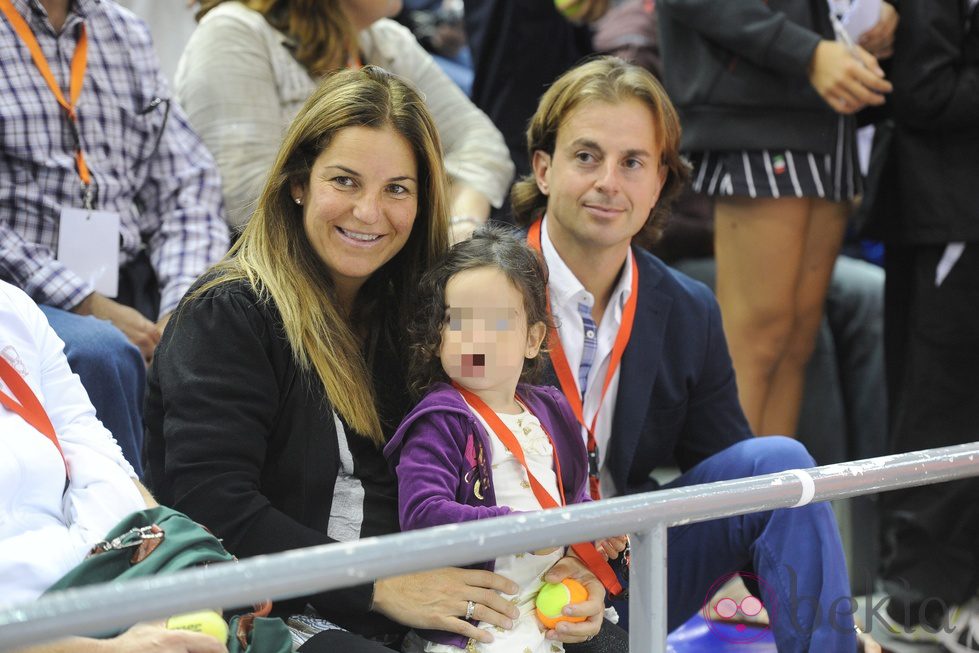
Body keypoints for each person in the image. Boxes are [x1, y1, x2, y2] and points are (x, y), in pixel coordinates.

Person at [143, 66, 605, 653]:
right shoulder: (228, 313)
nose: (369, 211)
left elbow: (475, 479)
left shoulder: (419, 315)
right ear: (298, 182)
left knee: (605, 635)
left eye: (396, 189)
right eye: (345, 180)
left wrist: (557, 569)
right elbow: (213, 506)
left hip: (431, 596)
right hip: (277, 609)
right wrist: (378, 584)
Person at [511, 56, 882, 652]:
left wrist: (823, 623)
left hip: (622, 572)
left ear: (659, 181)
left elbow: (744, 493)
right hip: (503, 570)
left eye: (633, 162)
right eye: (587, 156)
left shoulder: (686, 308)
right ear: (544, 168)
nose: (610, 180)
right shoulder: (477, 285)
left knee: (776, 463)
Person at [0, 0, 230, 470]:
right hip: (20, 293)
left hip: (129, 279)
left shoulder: (124, 32)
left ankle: (217, 525)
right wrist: (87, 302)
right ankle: (132, 532)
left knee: (232, 330)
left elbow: (187, 184)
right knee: (100, 353)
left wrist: (181, 308)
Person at [655, 0, 896, 436]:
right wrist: (805, 51)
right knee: (755, 341)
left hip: (835, 110)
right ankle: (725, 503)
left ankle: (770, 500)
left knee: (795, 342)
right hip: (754, 106)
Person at [385, 226, 628, 653]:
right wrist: (517, 530)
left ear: (533, 339)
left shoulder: (549, 410)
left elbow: (570, 499)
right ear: (437, 336)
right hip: (476, 626)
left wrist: (598, 528)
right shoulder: (439, 421)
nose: (477, 337)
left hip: (552, 606)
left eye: (498, 322)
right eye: (458, 320)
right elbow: (422, 517)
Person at [0, 279, 225, 653]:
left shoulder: (11, 308)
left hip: (104, 591)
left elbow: (90, 445)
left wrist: (176, 556)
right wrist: (108, 649)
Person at [176, 0, 513, 243]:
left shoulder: (385, 39)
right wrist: (393, 224)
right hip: (274, 290)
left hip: (382, 271)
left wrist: (461, 222)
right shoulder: (233, 32)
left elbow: (481, 142)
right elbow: (248, 199)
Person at [866, 0, 979, 649]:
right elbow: (922, 90)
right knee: (939, 412)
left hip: (956, 218)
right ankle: (918, 601)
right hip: (950, 218)